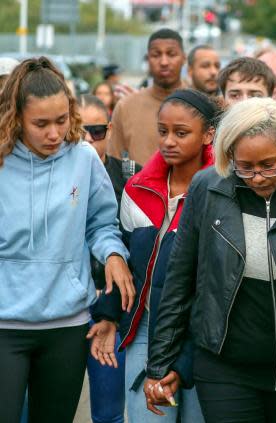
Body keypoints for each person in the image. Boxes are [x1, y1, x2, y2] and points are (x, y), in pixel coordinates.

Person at [143, 97, 276, 422]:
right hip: (225, 367)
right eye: (245, 166)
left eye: (269, 164)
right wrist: (160, 363)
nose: (257, 177)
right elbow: (180, 279)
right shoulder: (208, 188)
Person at [0, 57, 134, 423]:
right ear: (15, 118)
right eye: (40, 124)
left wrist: (113, 255)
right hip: (4, 326)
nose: (54, 133)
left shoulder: (83, 158)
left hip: (66, 324)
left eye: (61, 121)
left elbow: (102, 223)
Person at [91, 89, 217, 422]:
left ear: (208, 134)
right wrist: (108, 315)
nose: (169, 141)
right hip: (146, 327)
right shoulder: (138, 188)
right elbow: (130, 264)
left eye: (181, 132)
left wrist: (183, 359)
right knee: (150, 417)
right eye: (163, 131)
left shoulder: (222, 193)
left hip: (201, 336)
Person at [77, 94, 141, 423]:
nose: (87, 138)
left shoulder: (132, 179)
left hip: (112, 306)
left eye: (96, 131)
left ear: (110, 130)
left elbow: (138, 253)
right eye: (78, 130)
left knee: (108, 413)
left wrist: (112, 304)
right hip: (65, 305)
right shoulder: (52, 177)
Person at [108, 28, 186, 165]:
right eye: (156, 55)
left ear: (184, 58)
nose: (164, 62)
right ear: (148, 59)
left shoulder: (201, 105)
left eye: (171, 54)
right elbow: (118, 163)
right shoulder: (126, 107)